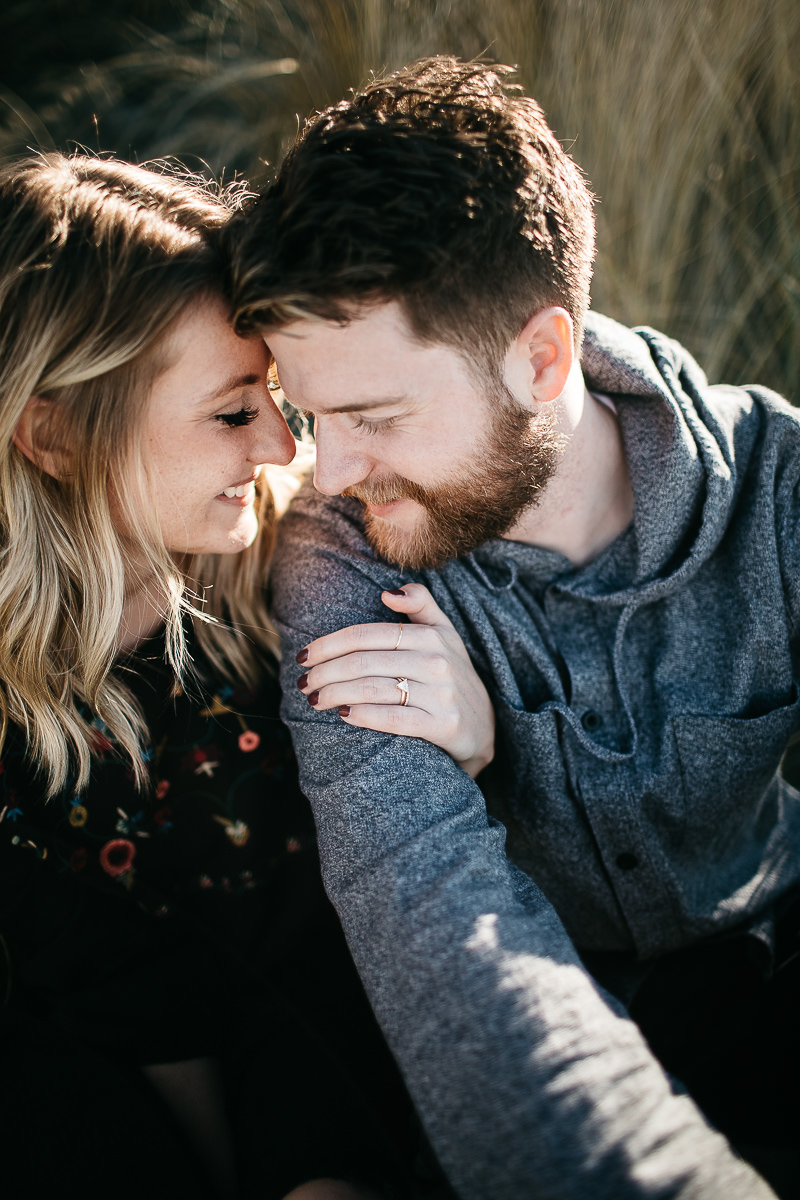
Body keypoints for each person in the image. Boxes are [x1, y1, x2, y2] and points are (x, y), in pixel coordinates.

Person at [227, 57, 800, 1200]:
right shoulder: (342, 557)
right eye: (308, 413)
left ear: (541, 359)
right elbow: (441, 930)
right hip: (545, 1024)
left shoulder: (775, 489)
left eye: (371, 415)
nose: (323, 471)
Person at [0, 152, 491, 1200]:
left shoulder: (314, 570)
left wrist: (471, 743)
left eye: (275, 394)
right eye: (232, 413)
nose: (281, 445)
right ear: (52, 432)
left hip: (358, 1101)